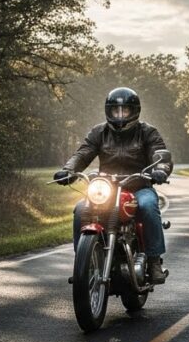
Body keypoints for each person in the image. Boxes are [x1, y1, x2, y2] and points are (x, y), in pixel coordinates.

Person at [54, 87, 173, 283]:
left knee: (148, 207)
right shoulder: (99, 132)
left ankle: (153, 261)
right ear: (108, 111)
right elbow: (83, 154)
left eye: (124, 110)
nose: (119, 115)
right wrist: (68, 170)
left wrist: (160, 169)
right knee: (80, 209)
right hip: (106, 188)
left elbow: (160, 153)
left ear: (134, 111)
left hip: (138, 186)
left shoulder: (147, 132)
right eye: (115, 110)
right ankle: (83, 263)